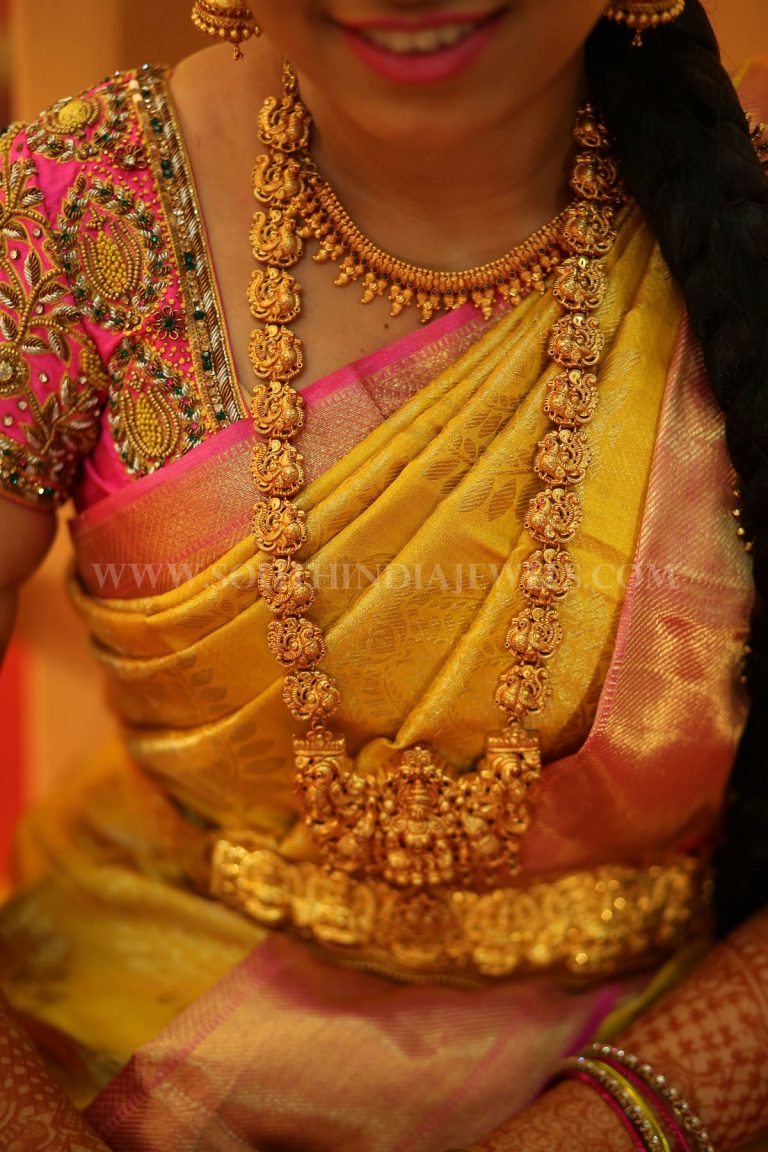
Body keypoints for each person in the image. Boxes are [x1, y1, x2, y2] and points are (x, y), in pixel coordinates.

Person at [0, 0, 767, 1149]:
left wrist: (614, 1124)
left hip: (660, 1055)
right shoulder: (81, 209)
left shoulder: (746, 222)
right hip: (136, 1051)